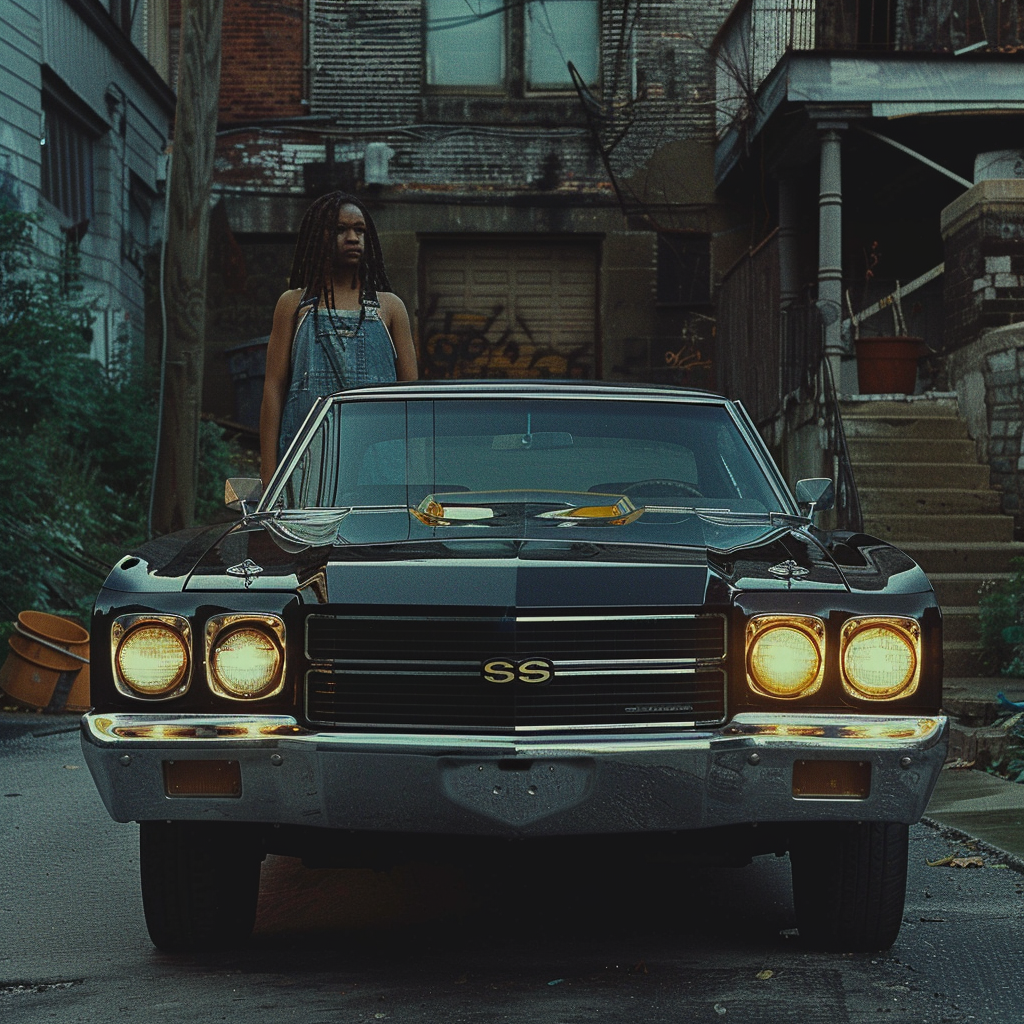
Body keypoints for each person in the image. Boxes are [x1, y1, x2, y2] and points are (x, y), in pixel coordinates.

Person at [259, 192, 418, 485]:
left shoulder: (390, 307)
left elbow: (412, 399)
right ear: (318, 238)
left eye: (360, 230)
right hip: (307, 460)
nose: (353, 237)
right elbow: (273, 389)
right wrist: (269, 475)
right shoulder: (293, 305)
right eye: (340, 229)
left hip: (379, 465)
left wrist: (410, 477)